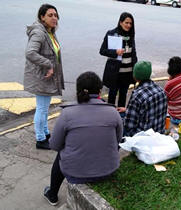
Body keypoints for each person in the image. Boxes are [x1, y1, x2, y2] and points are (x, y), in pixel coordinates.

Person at [44, 71, 123, 206]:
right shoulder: (113, 112)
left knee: (60, 155)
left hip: (75, 173)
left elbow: (55, 145)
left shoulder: (67, 113)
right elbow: (117, 141)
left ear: (78, 91)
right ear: (99, 91)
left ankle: (52, 194)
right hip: (109, 170)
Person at [24, 4, 64, 150]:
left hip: (48, 77)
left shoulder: (50, 32)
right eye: (50, 15)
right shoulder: (39, 33)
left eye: (55, 15)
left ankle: (46, 133)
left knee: (45, 108)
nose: (54, 18)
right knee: (41, 108)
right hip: (42, 77)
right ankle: (40, 139)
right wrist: (48, 64)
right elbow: (30, 53)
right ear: (42, 17)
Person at [118, 61, 167, 136]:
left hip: (142, 138)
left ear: (135, 76)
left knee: (118, 119)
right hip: (159, 133)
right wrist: (126, 110)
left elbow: (128, 125)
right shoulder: (161, 90)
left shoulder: (137, 96)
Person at [100, 12, 137, 107]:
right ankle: (110, 117)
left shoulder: (131, 35)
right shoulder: (112, 33)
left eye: (130, 23)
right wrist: (115, 52)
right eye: (126, 23)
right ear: (120, 22)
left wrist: (135, 71)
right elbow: (102, 51)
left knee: (123, 96)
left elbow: (134, 54)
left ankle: (121, 117)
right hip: (115, 73)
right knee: (112, 96)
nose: (128, 25)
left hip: (127, 74)